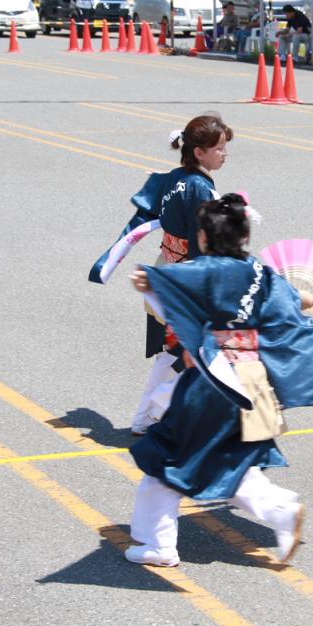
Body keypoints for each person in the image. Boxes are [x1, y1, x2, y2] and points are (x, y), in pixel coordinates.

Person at [124, 194, 313, 567]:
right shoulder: (260, 272)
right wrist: (302, 297)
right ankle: (281, 509)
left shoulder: (207, 269)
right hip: (252, 380)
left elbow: (168, 279)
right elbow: (287, 303)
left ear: (204, 237)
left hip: (213, 382)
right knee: (230, 459)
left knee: (167, 457)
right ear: (244, 236)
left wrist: (148, 279)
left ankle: (158, 544)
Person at [88, 114, 232, 435]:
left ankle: (145, 418)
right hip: (182, 278)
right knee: (203, 353)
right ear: (199, 152)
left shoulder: (173, 178)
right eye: (219, 148)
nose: (225, 154)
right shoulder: (199, 188)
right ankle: (163, 412)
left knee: (174, 352)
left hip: (164, 270)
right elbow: (200, 243)